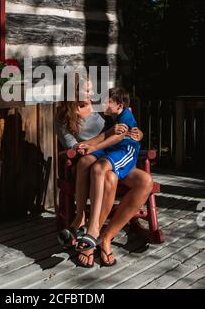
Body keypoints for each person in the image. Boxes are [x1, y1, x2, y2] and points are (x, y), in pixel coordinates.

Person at [55, 76, 149, 268]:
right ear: (73, 92)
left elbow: (125, 125)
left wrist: (138, 133)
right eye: (86, 91)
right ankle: (90, 238)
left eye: (91, 90)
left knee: (145, 182)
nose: (91, 95)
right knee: (109, 178)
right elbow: (76, 148)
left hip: (111, 154)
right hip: (86, 162)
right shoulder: (62, 116)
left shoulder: (100, 105)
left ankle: (105, 236)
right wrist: (109, 134)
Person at [76, 87, 141, 265]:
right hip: (112, 150)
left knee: (100, 167)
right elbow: (104, 136)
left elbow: (116, 139)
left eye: (107, 102)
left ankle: (94, 228)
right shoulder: (113, 118)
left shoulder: (126, 116)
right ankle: (86, 221)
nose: (103, 103)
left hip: (124, 152)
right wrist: (85, 144)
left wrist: (94, 147)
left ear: (119, 105)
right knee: (93, 166)